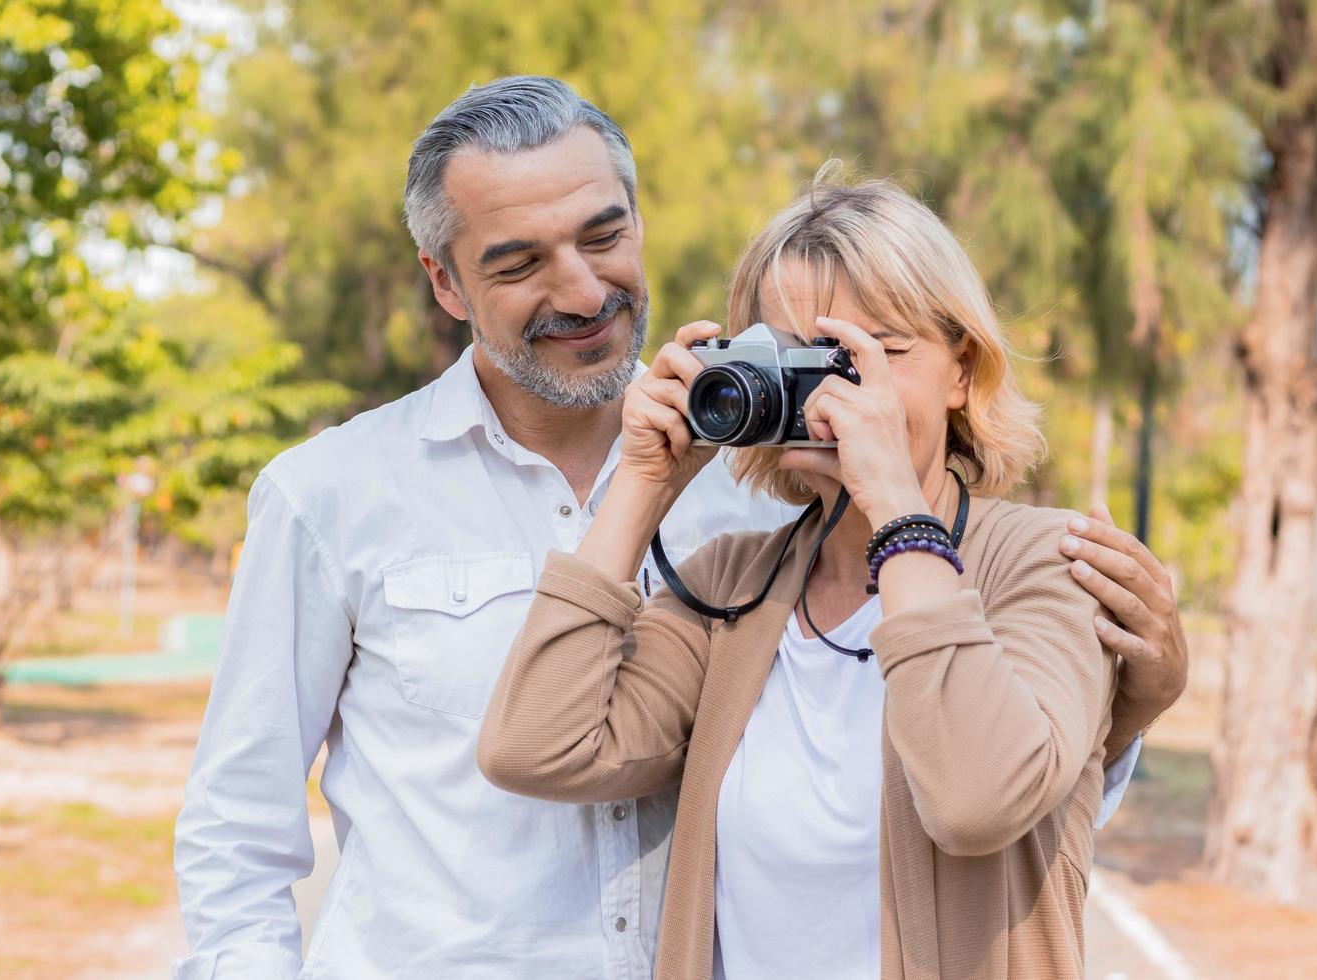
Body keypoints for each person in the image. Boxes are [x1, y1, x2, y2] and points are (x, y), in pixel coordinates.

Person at [174, 77, 1186, 979]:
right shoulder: (339, 493)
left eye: (602, 236)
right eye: (520, 260)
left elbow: (999, 802)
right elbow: (251, 826)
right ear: (446, 281)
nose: (578, 288)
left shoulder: (787, 504)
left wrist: (1120, 703)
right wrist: (641, 489)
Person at [479, 170, 1146, 979]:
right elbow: (536, 749)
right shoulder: (732, 584)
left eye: (875, 353)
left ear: (962, 369)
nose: (831, 388)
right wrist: (640, 487)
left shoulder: (1047, 563)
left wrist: (900, 508)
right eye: (795, 355)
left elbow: (978, 802)